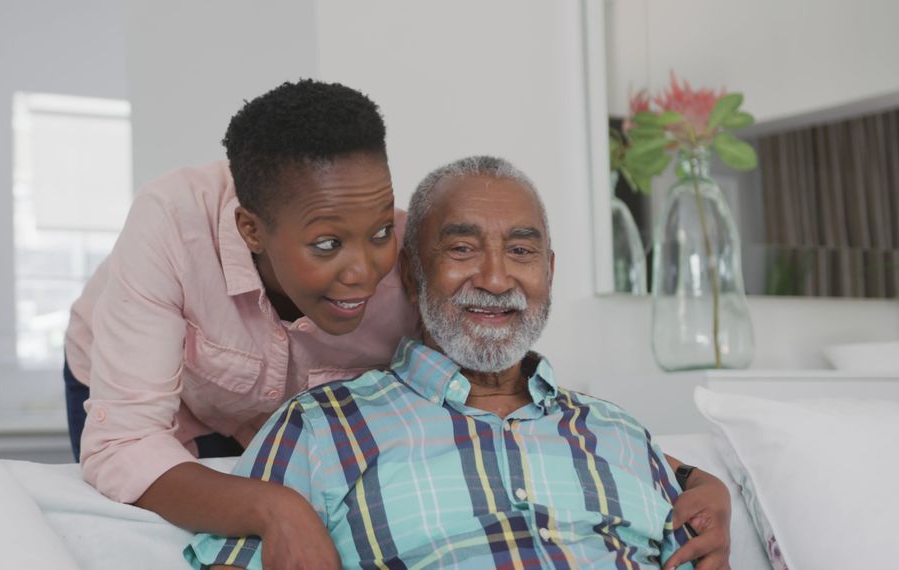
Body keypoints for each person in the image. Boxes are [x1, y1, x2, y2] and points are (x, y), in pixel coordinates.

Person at [64, 81, 729, 568]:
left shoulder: (416, 266)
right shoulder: (173, 230)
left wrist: (694, 480)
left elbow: (508, 418)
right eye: (328, 245)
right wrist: (277, 507)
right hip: (152, 401)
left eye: (382, 232)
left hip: (288, 413)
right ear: (253, 232)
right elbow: (123, 444)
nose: (363, 272)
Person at [186, 156, 728, 570]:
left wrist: (709, 483)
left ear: (550, 272)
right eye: (463, 249)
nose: (495, 279)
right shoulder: (319, 427)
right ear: (412, 273)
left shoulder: (620, 432)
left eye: (521, 251)